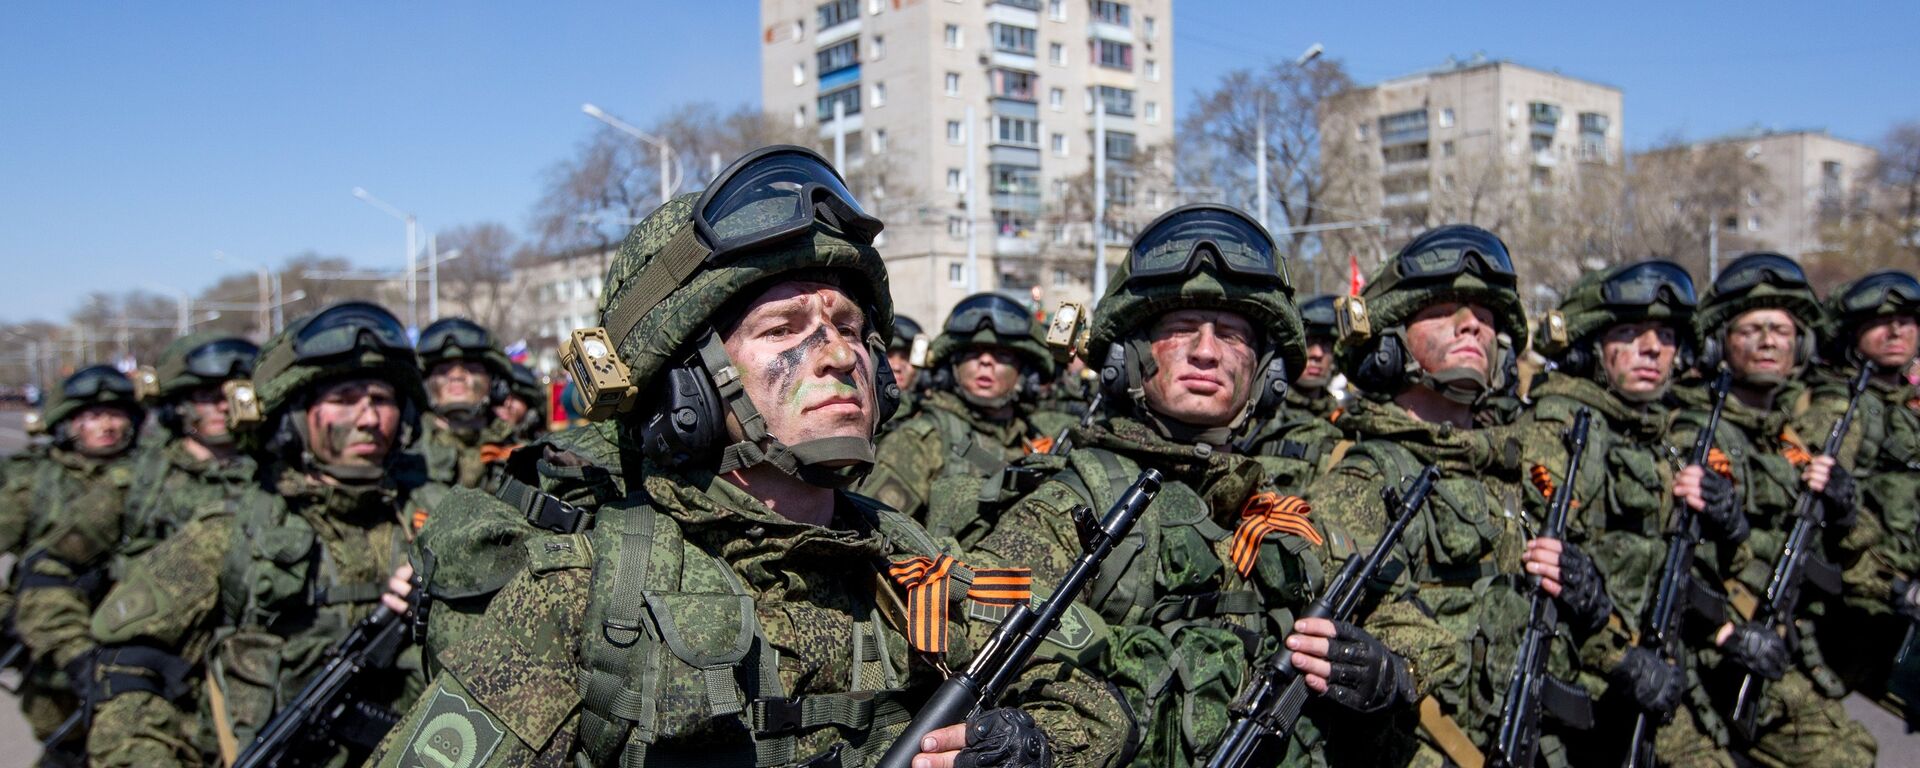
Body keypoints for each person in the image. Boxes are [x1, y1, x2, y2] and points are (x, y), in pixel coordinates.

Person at [371, 145, 1129, 768]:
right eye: (785, 328)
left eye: (848, 325)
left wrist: (1030, 749)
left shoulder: (909, 565)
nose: (839, 355)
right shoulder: (591, 589)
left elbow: (1092, 706)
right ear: (688, 386)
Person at [971, 204, 1451, 766]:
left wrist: (1388, 668)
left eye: (1231, 334)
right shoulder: (1076, 504)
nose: (1206, 351)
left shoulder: (1276, 509)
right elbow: (975, 644)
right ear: (1130, 356)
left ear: (1266, 374)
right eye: (1179, 329)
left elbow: (1407, 619)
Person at [85, 302, 440, 768]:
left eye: (381, 398)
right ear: (294, 415)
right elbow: (127, 671)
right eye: (345, 397)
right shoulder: (232, 529)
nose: (369, 418)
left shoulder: (438, 518)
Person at [1304, 225, 1594, 766]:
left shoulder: (1514, 470)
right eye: (1443, 310)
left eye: (1485, 316)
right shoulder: (1365, 479)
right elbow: (1365, 632)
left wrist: (1587, 595)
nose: (1473, 326)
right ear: (1390, 344)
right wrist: (1389, 668)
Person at [1525, 261, 1737, 765]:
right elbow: (1544, 578)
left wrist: (1729, 524)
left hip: (1656, 675)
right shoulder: (1566, 429)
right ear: (1590, 348)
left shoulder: (1657, 437)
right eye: (1629, 333)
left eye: (1666, 335)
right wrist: (1620, 657)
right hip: (1589, 686)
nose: (1652, 348)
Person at [1667, 252, 1875, 767]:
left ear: (1799, 345)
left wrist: (1846, 510)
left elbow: (1853, 552)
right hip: (1720, 648)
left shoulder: (1788, 439)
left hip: (1785, 642)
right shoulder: (1697, 430)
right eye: (1752, 329)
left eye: (1781, 330)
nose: (1768, 342)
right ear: (1720, 344)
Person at [0, 365, 143, 766]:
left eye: (115, 414)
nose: (107, 426)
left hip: (131, 634)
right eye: (92, 416)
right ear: (67, 422)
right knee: (66, 746)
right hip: (52, 651)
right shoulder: (34, 479)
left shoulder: (153, 474)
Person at [1802, 270, 1920, 723]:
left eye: (1907, 319)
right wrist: (1895, 586)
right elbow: (1826, 511)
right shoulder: (1841, 406)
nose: (1897, 331)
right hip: (1866, 603)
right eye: (1880, 321)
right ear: (1851, 332)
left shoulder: (1906, 404)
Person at [860, 292, 1056, 534]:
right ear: (952, 366)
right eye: (973, 353)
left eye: (1001, 355)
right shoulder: (922, 439)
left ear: (1024, 373)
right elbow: (872, 533)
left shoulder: (1037, 438)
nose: (985, 362)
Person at [1242, 293, 1346, 488]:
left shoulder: (1344, 421)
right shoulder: (1259, 414)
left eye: (1325, 344)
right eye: (1310, 342)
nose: (1317, 354)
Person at [416, 316, 520, 489]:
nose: (456, 377)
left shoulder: (517, 454)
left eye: (471, 368)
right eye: (443, 370)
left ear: (494, 382)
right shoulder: (409, 454)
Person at [494, 362, 550, 443]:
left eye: (514, 398)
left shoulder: (542, 443)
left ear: (529, 402)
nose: (507, 404)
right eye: (503, 398)